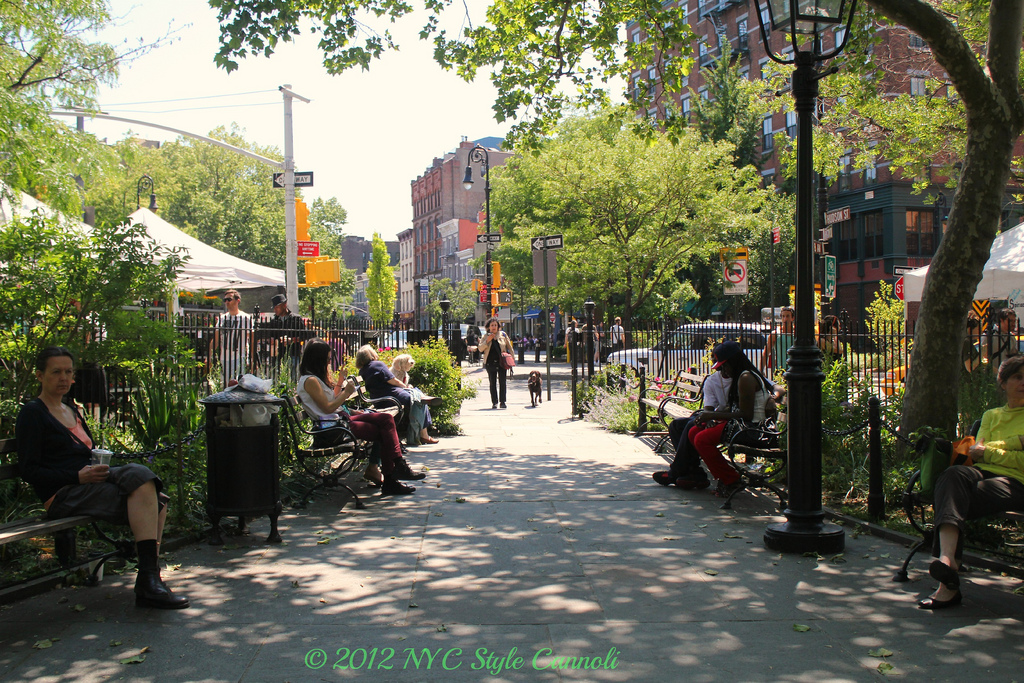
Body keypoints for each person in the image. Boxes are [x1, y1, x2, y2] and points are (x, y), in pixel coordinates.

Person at [17, 347, 189, 609]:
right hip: (63, 494)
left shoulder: (71, 410)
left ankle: (149, 579)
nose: (64, 378)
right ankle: (149, 579)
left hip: (89, 483)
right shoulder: (33, 413)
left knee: (141, 475)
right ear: (40, 376)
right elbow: (29, 470)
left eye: (68, 372)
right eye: (56, 372)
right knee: (155, 500)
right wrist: (76, 476)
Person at [920, 355, 1024, 609]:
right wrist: (1012, 445)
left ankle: (947, 585)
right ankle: (947, 560)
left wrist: (989, 451)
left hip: (1015, 481)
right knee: (952, 476)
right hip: (981, 473)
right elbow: (976, 452)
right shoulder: (991, 415)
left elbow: (987, 451)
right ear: (1003, 383)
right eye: (1017, 377)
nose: (1023, 382)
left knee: (952, 498)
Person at [297, 339, 424, 495]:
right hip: (332, 428)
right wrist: (346, 393)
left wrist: (340, 383)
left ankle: (396, 469)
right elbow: (327, 408)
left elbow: (330, 401)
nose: (329, 362)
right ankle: (392, 476)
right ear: (318, 359)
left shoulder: (315, 379)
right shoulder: (310, 381)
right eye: (328, 359)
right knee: (382, 430)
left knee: (385, 419)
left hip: (339, 421)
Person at [684, 340, 777, 496]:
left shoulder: (746, 377)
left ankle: (731, 480)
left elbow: (746, 415)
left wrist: (712, 415)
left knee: (701, 439)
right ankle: (723, 477)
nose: (723, 372)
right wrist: (711, 416)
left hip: (752, 429)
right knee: (694, 432)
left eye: (724, 366)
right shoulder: (742, 375)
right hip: (742, 426)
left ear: (734, 362)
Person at [652, 350, 733, 489]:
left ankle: (677, 472)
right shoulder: (713, 380)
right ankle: (693, 472)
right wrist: (707, 417)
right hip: (715, 416)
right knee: (676, 425)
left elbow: (769, 386)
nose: (719, 368)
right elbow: (708, 408)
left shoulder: (742, 377)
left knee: (691, 426)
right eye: (715, 363)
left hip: (728, 420)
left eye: (721, 365)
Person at [355, 345, 442, 439]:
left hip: (379, 398)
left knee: (417, 395)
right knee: (417, 399)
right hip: (390, 396)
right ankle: (423, 435)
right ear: (371, 354)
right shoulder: (377, 365)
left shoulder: (363, 370)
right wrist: (405, 386)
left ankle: (422, 399)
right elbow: (393, 380)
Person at [390, 354, 440, 445]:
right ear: (399, 364)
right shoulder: (394, 373)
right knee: (419, 399)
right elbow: (396, 385)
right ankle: (423, 435)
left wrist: (407, 386)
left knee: (420, 397)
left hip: (402, 392)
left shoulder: (404, 373)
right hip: (396, 396)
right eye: (407, 361)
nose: (411, 362)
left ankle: (423, 434)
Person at [211, 289, 253, 386]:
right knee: (225, 384)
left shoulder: (245, 318)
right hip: (224, 356)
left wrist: (252, 358)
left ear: (238, 300)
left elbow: (251, 339)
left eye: (229, 299)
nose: (226, 302)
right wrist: (210, 355)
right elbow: (216, 338)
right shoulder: (223, 318)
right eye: (225, 300)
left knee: (236, 383)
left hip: (239, 355)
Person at [264, 293, 308, 381]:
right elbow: (270, 336)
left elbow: (305, 335)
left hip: (293, 353)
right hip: (279, 354)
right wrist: (271, 340)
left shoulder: (296, 319)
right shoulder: (274, 320)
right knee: (278, 377)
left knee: (293, 377)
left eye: (277, 307)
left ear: (284, 305)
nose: (275, 310)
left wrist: (292, 340)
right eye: (274, 308)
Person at [478, 316, 515, 409]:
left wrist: (512, 359)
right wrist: (487, 341)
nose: (494, 327)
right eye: (492, 325)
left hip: (501, 362)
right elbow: (480, 348)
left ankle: (503, 402)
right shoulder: (485, 336)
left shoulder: (503, 335)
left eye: (495, 325)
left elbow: (510, 347)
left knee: (502, 382)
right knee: (492, 383)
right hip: (490, 362)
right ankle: (494, 402)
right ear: (488, 327)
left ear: (498, 326)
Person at [761, 306, 795, 377]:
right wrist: (761, 370)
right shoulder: (775, 334)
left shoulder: (797, 333)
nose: (785, 319)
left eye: (787, 316)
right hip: (780, 370)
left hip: (795, 369)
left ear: (792, 318)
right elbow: (766, 352)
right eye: (783, 316)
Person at [985, 308, 1019, 375]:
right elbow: (982, 359)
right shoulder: (989, 336)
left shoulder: (1011, 337)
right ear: (1001, 320)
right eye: (1010, 321)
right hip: (992, 377)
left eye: (1014, 321)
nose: (1013, 324)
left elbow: (1013, 357)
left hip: (1007, 376)